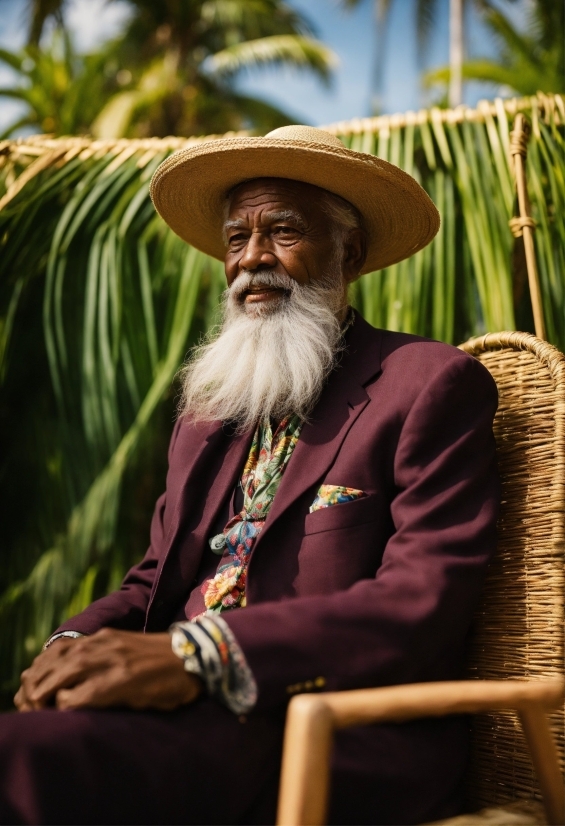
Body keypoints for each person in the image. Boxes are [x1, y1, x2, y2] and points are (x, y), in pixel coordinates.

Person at [1, 126, 499, 826]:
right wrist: (68, 647)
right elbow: (152, 580)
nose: (252, 260)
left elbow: (422, 602)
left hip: (329, 733)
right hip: (175, 723)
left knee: (24, 758)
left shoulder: (428, 384)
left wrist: (196, 656)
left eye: (284, 232)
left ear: (347, 251)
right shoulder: (209, 412)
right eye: (236, 239)